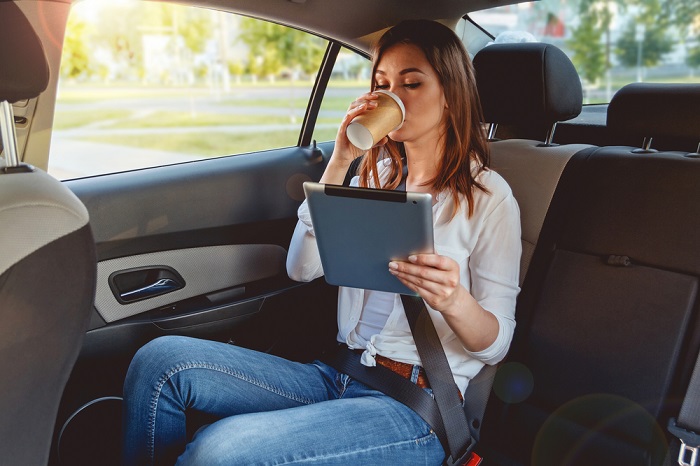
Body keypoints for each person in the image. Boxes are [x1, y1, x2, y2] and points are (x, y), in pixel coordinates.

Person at [122, 19, 521, 466]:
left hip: (413, 407)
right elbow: (301, 268)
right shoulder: (378, 177)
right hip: (340, 373)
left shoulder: (488, 197)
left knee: (220, 450)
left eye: (412, 83)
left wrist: (453, 299)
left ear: (450, 94)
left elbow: (496, 343)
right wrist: (341, 160)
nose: (395, 97)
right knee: (159, 363)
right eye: (383, 84)